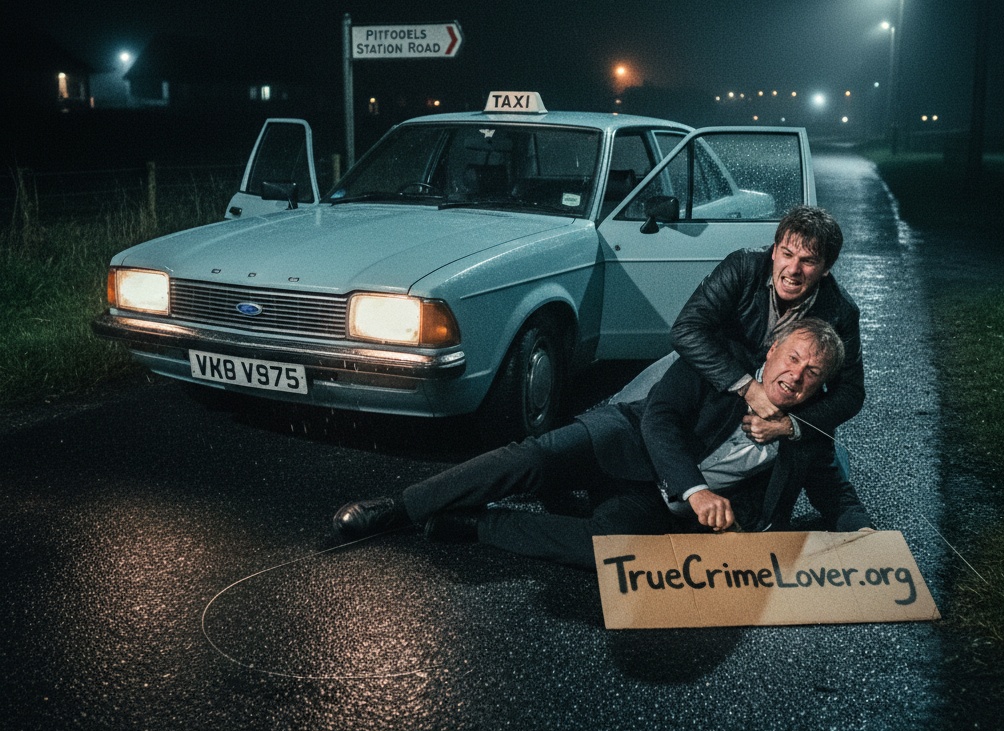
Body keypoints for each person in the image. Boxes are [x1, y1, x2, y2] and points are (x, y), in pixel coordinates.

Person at [331, 318, 874, 571]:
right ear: (773, 350)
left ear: (821, 388)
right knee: (532, 458)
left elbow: (837, 495)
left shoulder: (807, 434)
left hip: (655, 504)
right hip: (626, 441)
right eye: (792, 358)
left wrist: (866, 537)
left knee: (609, 550)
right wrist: (695, 490)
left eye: (812, 373)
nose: (796, 375)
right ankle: (401, 508)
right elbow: (661, 419)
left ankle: (476, 525)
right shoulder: (721, 364)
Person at [671, 205, 863, 469]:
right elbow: (686, 329)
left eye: (807, 261)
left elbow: (851, 392)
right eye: (787, 254)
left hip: (784, 407)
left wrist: (790, 426)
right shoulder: (742, 267)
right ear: (774, 251)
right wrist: (748, 388)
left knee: (823, 469)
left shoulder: (841, 311)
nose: (793, 269)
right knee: (657, 427)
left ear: (826, 268)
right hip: (714, 384)